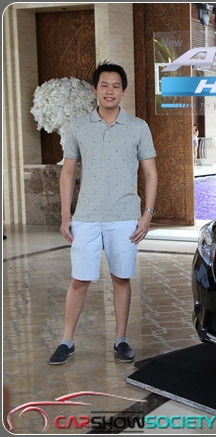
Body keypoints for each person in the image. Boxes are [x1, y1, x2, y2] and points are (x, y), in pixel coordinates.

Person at [49, 61, 158, 365]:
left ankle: (121, 339)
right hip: (86, 216)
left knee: (121, 279)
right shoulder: (78, 127)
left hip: (125, 217)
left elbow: (151, 173)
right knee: (79, 280)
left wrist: (147, 214)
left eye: (116, 86)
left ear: (123, 91)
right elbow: (68, 172)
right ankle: (66, 341)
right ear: (95, 89)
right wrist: (66, 215)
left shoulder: (138, 127)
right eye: (104, 85)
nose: (110, 91)